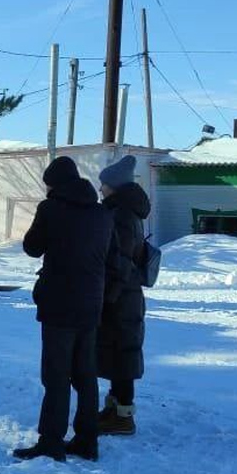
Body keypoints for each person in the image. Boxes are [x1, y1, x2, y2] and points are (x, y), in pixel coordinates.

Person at [14, 157, 115, 463]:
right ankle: (87, 440)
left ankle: (51, 441)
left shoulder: (51, 209)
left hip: (59, 303)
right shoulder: (101, 213)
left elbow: (32, 247)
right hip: (91, 302)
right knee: (85, 374)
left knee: (56, 375)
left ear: (53, 184)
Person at [97, 155, 151, 436]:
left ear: (115, 186)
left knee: (122, 354)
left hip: (121, 297)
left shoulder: (120, 215)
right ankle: (115, 408)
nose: (101, 189)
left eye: (103, 184)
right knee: (119, 352)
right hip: (126, 295)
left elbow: (120, 260)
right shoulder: (128, 211)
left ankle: (122, 416)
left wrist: (108, 296)